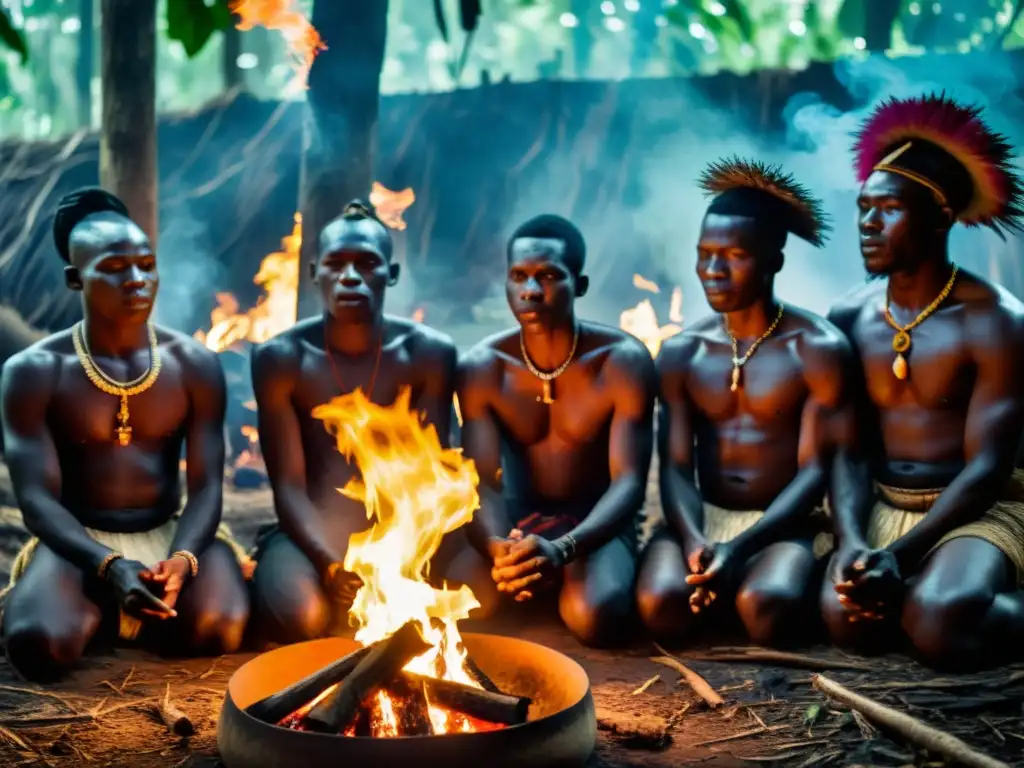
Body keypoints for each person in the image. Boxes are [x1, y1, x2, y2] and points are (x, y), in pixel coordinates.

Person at [0, 188, 250, 682]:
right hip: (78, 543)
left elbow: (206, 488)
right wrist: (107, 565)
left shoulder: (193, 365)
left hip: (171, 532)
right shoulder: (34, 371)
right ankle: (101, 605)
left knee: (220, 630)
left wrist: (183, 558)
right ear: (76, 279)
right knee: (37, 645)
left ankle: (128, 610)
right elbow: (35, 500)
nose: (137, 281)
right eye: (115, 269)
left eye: (146, 264)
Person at [824, 94, 1024, 669]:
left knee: (937, 625)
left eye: (887, 208)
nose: (867, 224)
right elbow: (849, 449)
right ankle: (919, 590)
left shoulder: (996, 321)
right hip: (882, 506)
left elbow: (988, 469)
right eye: (863, 208)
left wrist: (901, 557)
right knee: (847, 622)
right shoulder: (848, 316)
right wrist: (855, 544)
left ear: (940, 215)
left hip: (978, 510)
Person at [634, 158, 848, 646]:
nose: (712, 270)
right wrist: (694, 540)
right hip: (701, 517)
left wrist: (741, 546)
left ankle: (762, 583)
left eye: (732, 255)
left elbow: (815, 471)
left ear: (774, 259)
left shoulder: (816, 348)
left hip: (784, 522)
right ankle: (716, 579)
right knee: (660, 608)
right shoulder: (682, 352)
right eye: (704, 254)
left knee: (765, 610)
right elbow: (674, 467)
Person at [249, 200, 460, 644]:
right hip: (310, 537)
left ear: (392, 274)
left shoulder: (428, 354)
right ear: (314, 273)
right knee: (302, 616)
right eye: (336, 264)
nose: (350, 276)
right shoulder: (280, 358)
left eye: (367, 263)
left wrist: (400, 557)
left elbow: (432, 478)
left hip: (407, 531)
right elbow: (288, 487)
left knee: (469, 604)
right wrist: (331, 564)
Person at [452, 214, 656, 648]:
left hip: (594, 523)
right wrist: (495, 548)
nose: (530, 290)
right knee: (463, 606)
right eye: (518, 276)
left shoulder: (621, 361)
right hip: (513, 524)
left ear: (578, 285)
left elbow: (629, 483)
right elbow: (481, 481)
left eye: (547, 276)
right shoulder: (482, 367)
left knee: (596, 617)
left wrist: (563, 549)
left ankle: (564, 580)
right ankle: (531, 576)